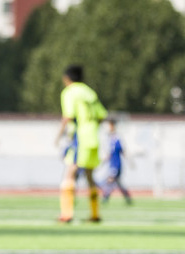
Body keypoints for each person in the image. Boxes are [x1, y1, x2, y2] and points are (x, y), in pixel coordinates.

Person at [56, 64, 107, 223]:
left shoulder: (70, 92)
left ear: (67, 78)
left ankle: (67, 214)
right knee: (90, 176)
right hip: (93, 137)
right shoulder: (89, 92)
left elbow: (68, 116)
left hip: (80, 138)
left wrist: (58, 136)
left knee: (69, 174)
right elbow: (102, 115)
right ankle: (95, 214)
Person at [99, 119, 133, 204]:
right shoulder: (109, 138)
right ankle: (127, 197)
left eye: (109, 126)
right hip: (112, 164)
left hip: (116, 164)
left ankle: (105, 197)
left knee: (110, 180)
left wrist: (130, 161)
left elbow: (121, 150)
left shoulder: (117, 138)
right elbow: (109, 153)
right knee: (118, 182)